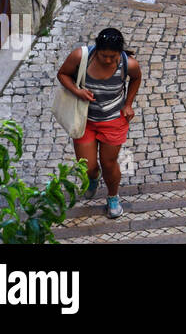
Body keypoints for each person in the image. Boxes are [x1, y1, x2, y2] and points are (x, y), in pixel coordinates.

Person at [56, 28, 142, 219]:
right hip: (84, 120)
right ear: (97, 50)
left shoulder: (129, 64)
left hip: (113, 122)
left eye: (113, 56)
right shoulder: (81, 56)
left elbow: (136, 78)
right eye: (104, 56)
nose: (109, 61)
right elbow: (62, 74)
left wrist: (128, 104)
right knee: (88, 167)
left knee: (108, 164)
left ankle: (113, 197)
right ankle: (93, 179)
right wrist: (77, 91)